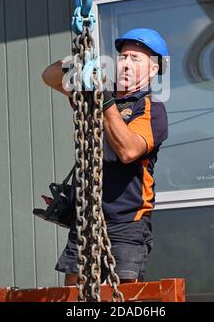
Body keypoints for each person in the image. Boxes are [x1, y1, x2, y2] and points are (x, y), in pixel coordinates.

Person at [41, 28, 169, 286]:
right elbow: (50, 76)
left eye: (136, 59)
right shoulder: (96, 95)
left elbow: (128, 151)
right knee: (75, 298)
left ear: (153, 70)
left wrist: (106, 102)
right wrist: (79, 62)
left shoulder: (151, 109)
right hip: (85, 221)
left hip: (126, 224)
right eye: (123, 57)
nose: (126, 64)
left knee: (122, 298)